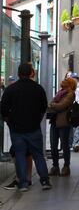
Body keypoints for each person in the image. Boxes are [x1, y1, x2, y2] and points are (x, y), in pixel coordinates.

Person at [0, 62, 51, 191]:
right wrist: (37, 119)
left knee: (20, 155)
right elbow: (43, 106)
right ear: (31, 73)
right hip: (33, 128)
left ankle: (23, 183)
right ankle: (45, 181)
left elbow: (4, 109)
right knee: (38, 155)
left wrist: (9, 122)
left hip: (17, 129)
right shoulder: (38, 88)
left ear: (18, 73)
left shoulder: (11, 89)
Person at [48, 75, 76, 176]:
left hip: (64, 123)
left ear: (70, 84)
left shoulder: (70, 94)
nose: (63, 81)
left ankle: (66, 166)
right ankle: (55, 166)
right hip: (54, 122)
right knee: (53, 145)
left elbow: (61, 106)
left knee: (65, 146)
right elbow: (52, 103)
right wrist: (54, 105)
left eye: (66, 80)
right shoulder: (60, 93)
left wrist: (53, 105)